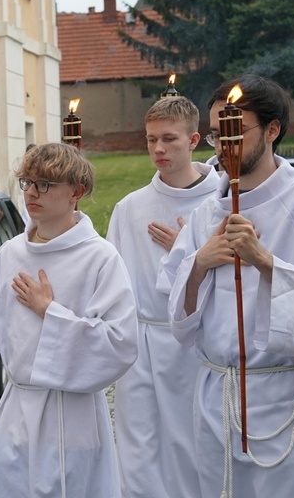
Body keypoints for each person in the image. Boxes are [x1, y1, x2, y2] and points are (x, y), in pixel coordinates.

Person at [0, 142, 138, 497]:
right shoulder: (11, 253)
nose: (32, 193)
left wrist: (49, 313)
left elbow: (120, 344)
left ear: (77, 192)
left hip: (72, 418)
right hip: (16, 412)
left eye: (45, 184)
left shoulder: (100, 258)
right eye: (27, 182)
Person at [163, 74, 294, 498]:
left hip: (285, 394)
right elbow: (180, 317)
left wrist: (264, 261)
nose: (225, 144)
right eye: (218, 134)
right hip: (218, 394)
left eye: (236, 131)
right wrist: (199, 265)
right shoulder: (207, 212)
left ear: (273, 130)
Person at [107, 96, 220, 498]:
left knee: (188, 447)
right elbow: (112, 278)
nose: (158, 149)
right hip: (140, 343)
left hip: (192, 345)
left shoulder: (221, 202)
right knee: (137, 453)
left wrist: (186, 252)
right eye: (151, 139)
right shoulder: (129, 207)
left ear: (193, 140)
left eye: (169, 139)